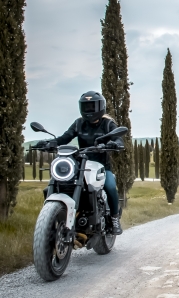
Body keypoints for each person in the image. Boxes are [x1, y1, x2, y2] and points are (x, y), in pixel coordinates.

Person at [35, 91, 125, 235]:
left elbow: (117, 138)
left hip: (101, 165)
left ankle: (114, 219)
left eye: (92, 106)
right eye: (86, 106)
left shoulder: (107, 124)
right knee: (59, 183)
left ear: (100, 107)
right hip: (81, 164)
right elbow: (65, 138)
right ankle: (52, 221)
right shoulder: (79, 123)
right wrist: (49, 142)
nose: (89, 110)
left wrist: (114, 144)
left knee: (110, 186)